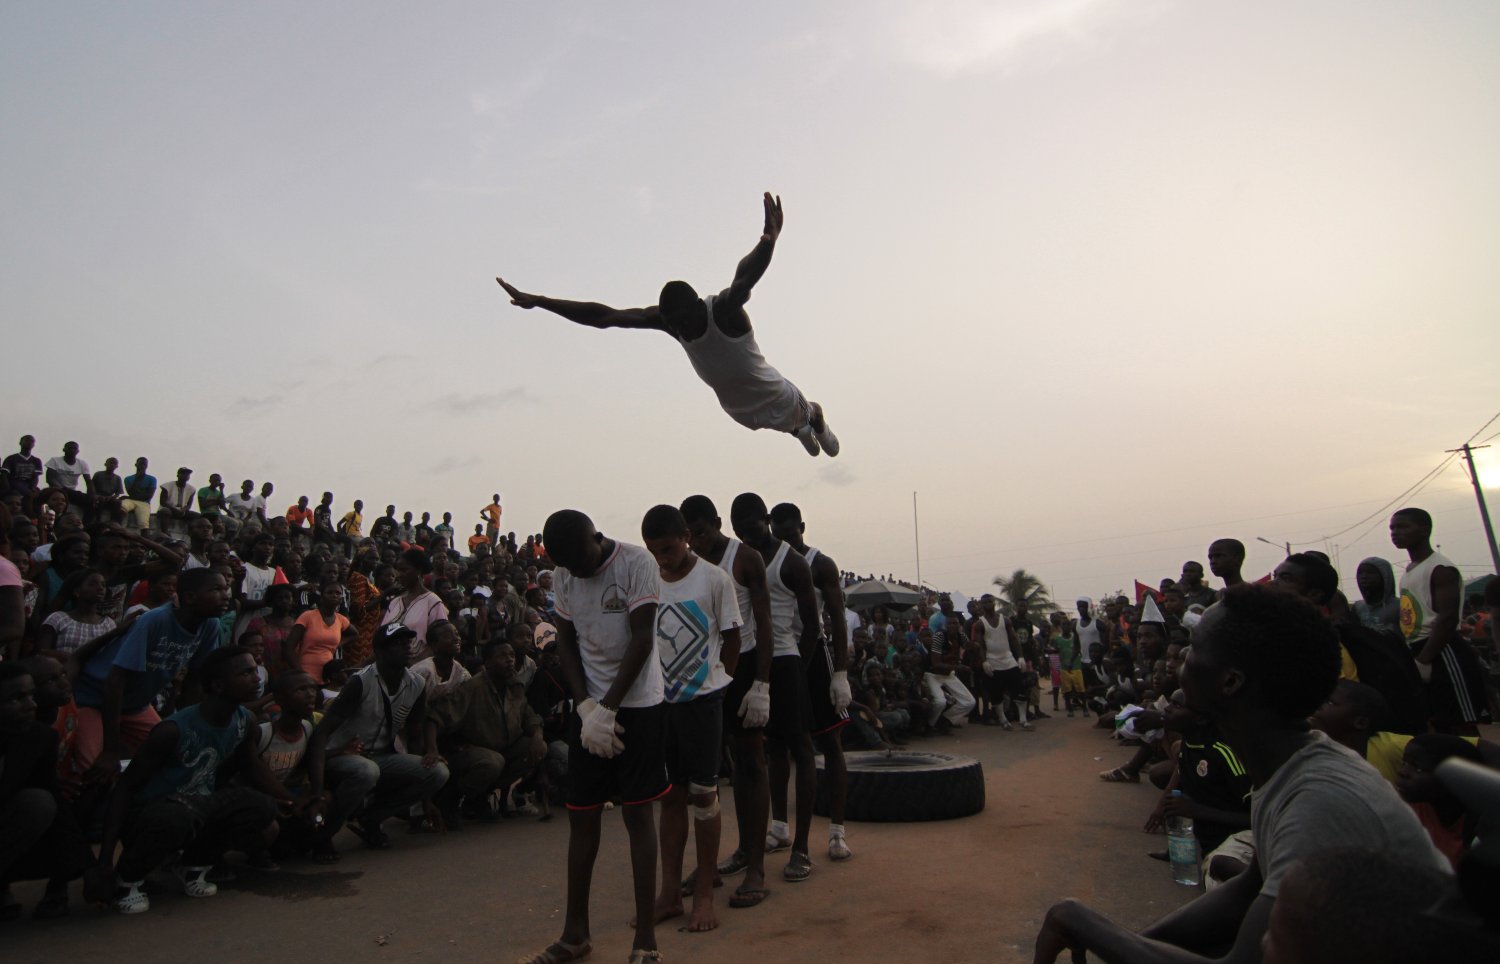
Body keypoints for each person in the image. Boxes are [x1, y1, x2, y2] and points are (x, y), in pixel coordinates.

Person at [1033, 584, 1448, 963]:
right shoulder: (1290, 765)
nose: (1179, 664)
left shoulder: (1319, 802)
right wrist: (1131, 942)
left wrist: (1082, 922)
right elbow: (1249, 889)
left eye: (1194, 651)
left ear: (1229, 681)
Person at [498, 192, 840, 458]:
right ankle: (798, 432)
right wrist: (541, 301)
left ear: (697, 307)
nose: (681, 330)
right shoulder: (668, 321)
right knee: (786, 429)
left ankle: (816, 422)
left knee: (805, 416)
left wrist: (768, 241)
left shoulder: (722, 311)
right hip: (737, 407)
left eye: (686, 322)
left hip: (773, 392)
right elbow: (604, 317)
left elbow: (743, 279)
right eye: (675, 325)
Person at [517, 509, 666, 964]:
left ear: (596, 538)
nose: (575, 571)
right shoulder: (564, 573)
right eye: (565, 564)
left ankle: (645, 939)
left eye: (580, 560)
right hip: (591, 708)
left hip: (638, 704)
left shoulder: (636, 564)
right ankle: (575, 933)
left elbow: (642, 639)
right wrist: (585, 707)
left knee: (638, 816)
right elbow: (565, 640)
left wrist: (610, 708)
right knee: (581, 817)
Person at [88, 647, 295, 914]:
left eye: (255, 671)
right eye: (245, 673)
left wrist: (289, 800)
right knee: (177, 816)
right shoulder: (173, 730)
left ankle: (194, 864)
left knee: (260, 806)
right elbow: (126, 788)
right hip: (155, 813)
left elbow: (251, 766)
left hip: (199, 804)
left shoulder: (245, 721)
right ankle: (127, 879)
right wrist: (104, 859)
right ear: (218, 686)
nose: (255, 678)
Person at [641, 504, 743, 932]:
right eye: (655, 551)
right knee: (670, 797)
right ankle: (668, 894)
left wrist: (721, 683)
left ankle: (703, 892)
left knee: (704, 796)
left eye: (668, 548)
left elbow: (734, 636)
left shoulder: (714, 579)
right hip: (660, 704)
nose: (663, 558)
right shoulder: (647, 580)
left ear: (685, 536)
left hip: (702, 703)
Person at [680, 494, 776, 910]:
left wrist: (762, 685)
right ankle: (713, 865)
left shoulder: (745, 558)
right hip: (704, 671)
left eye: (701, 533)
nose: (696, 543)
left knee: (751, 764)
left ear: (717, 523)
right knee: (711, 772)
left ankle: (755, 867)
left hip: (745, 664)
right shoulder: (687, 565)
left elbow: (765, 621)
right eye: (689, 537)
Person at [730, 493, 823, 885]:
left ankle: (801, 847)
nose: (746, 537)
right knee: (752, 755)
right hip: (747, 656)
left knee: (800, 747)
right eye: (740, 533)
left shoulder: (793, 562)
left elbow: (813, 626)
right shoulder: (740, 557)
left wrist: (797, 668)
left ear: (766, 520)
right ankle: (749, 845)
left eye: (751, 529)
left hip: (784, 657)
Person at [72, 567, 229, 777]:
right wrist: (111, 750)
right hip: (95, 699)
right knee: (92, 769)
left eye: (226, 589)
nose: (226, 595)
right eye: (216, 590)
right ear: (190, 597)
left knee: (173, 754)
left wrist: (189, 729)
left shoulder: (211, 625)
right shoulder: (155, 620)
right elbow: (115, 681)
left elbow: (196, 680)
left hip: (136, 704)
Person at [306, 624, 448, 851]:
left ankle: (372, 817)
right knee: (366, 771)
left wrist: (426, 800)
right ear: (380, 652)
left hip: (382, 756)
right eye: (397, 644)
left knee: (437, 772)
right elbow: (322, 731)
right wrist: (317, 790)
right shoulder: (360, 682)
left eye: (407, 642)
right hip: (343, 756)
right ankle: (326, 832)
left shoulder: (416, 684)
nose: (406, 648)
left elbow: (414, 735)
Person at [769, 502, 854, 861]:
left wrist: (841, 673)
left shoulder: (821, 564)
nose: (786, 541)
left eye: (792, 534)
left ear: (802, 527)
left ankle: (837, 832)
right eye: (780, 535)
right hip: (778, 654)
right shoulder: (767, 560)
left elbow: (836, 618)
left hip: (814, 654)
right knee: (776, 745)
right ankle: (779, 827)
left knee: (829, 744)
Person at [0, 663, 92, 921]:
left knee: (40, 803)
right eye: (16, 699)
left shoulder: (39, 739)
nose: (30, 705)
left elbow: (55, 802)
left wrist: (87, 867)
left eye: (30, 696)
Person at [1391, 507, 1489, 734]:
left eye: (1403, 526)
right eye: (1392, 528)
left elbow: (1447, 617)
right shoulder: (1411, 570)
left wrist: (1425, 660)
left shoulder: (1440, 568)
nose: (1395, 532)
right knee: (1437, 722)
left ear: (1424, 530)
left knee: (1459, 723)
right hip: (1419, 648)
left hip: (1442, 650)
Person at [428, 640, 543, 827]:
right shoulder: (473, 687)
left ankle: (479, 798)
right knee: (492, 762)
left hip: (503, 750)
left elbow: (530, 717)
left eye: (511, 656)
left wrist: (537, 736)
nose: (509, 661)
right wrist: (432, 750)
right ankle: (451, 799)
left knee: (535, 747)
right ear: (488, 663)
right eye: (502, 656)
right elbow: (436, 717)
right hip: (469, 752)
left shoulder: (515, 686)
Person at [284, 575, 353, 682]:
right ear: (321, 597)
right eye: (329, 593)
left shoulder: (341, 620)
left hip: (328, 677)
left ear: (341, 599)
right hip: (306, 674)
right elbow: (289, 648)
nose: (334, 595)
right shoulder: (308, 616)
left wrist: (336, 644)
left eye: (338, 593)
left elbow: (354, 634)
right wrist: (301, 673)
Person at [383, 548, 447, 661]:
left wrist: (413, 665)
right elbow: (383, 637)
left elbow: (441, 641)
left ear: (418, 570)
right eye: (398, 570)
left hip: (418, 671)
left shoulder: (433, 602)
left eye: (403, 570)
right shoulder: (395, 603)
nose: (399, 575)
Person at [975, 593, 1028, 730]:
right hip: (993, 661)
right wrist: (984, 662)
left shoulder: (1005, 620)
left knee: (1019, 689)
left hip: (1009, 659)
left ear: (994, 603)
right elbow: (980, 645)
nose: (987, 604)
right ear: (981, 605)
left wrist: (1020, 657)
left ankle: (1023, 719)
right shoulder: (980, 623)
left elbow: (1014, 639)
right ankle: (1003, 719)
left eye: (990, 602)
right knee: (996, 693)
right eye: (984, 602)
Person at [3, 435, 43, 512]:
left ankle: (37, 516)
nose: (29, 443)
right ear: (20, 442)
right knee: (28, 495)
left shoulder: (36, 460)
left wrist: (33, 488)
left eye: (32, 441)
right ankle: (30, 515)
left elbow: (35, 477)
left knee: (39, 496)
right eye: (27, 440)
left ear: (34, 445)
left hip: (28, 484)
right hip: (14, 483)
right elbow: (4, 474)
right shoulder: (11, 458)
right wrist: (7, 489)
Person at [119, 457, 157, 534]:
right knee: (122, 507)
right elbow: (131, 492)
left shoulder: (152, 479)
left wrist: (130, 497)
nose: (143, 466)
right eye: (141, 464)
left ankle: (145, 542)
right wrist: (138, 478)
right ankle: (117, 528)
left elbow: (149, 495)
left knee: (144, 523)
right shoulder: (128, 478)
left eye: (144, 464)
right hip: (131, 500)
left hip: (144, 502)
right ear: (136, 465)